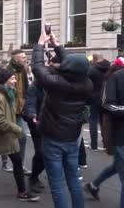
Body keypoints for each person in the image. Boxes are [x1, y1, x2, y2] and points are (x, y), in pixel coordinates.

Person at [32, 32, 93, 208]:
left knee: (57, 183)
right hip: (72, 136)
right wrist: (57, 46)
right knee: (73, 178)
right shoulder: (87, 83)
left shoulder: (57, 83)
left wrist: (40, 44)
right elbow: (74, 66)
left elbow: (37, 68)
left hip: (53, 137)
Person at [0, 67, 39, 201]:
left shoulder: (8, 93)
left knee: (17, 163)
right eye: (12, 79)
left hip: (8, 136)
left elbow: (9, 113)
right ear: (5, 80)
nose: (15, 81)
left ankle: (22, 192)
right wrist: (17, 129)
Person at [84, 57, 124, 206]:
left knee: (117, 165)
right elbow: (107, 105)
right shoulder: (116, 77)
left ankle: (93, 185)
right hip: (120, 134)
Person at [88, 53, 111, 150]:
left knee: (93, 120)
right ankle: (106, 144)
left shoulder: (92, 70)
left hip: (94, 97)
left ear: (94, 59)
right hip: (106, 97)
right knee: (104, 121)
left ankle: (94, 145)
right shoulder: (110, 67)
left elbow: (87, 83)